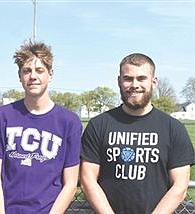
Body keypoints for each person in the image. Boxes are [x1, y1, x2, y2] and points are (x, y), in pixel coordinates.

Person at [80, 53, 195, 213]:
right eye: (128, 78)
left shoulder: (173, 128)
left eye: (141, 78)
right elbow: (87, 180)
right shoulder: (98, 125)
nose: (134, 84)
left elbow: (180, 187)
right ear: (119, 81)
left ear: (154, 82)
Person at [0, 40, 82, 213]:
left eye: (39, 70)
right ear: (19, 75)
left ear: (50, 74)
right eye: (27, 71)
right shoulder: (1, 116)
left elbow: (71, 183)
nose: (33, 76)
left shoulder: (69, 121)